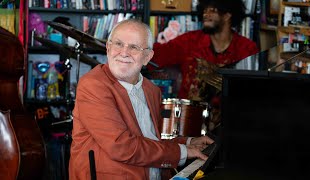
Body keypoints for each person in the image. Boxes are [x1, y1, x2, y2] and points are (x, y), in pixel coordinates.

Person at [68, 19, 214, 180]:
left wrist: (188, 142)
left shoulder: (152, 90)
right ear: (108, 49)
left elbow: (150, 140)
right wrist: (184, 152)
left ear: (147, 57)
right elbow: (121, 146)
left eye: (134, 47)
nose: (124, 53)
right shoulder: (93, 85)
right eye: (118, 44)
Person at [150, 0, 259, 100]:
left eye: (212, 10)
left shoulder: (247, 48)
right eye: (205, 10)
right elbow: (157, 55)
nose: (206, 14)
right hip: (189, 116)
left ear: (227, 15)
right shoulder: (189, 41)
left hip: (228, 116)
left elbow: (251, 91)